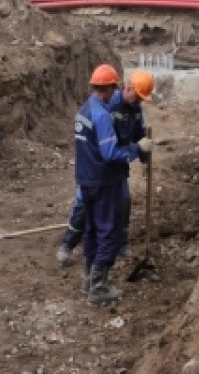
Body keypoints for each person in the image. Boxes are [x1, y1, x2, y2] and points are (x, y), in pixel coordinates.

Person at [74, 64, 152, 304]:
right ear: (110, 88)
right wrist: (136, 149)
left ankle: (88, 280)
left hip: (86, 178)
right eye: (114, 87)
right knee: (108, 230)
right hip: (103, 180)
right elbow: (109, 153)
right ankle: (99, 286)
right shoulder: (102, 114)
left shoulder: (84, 110)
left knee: (92, 230)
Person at [57, 69, 154, 264]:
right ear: (128, 88)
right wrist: (134, 149)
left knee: (124, 201)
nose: (139, 101)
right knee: (83, 205)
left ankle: (121, 243)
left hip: (117, 167)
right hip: (100, 167)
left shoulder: (136, 110)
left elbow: (139, 136)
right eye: (138, 96)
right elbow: (104, 145)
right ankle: (68, 243)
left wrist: (144, 156)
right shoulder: (108, 106)